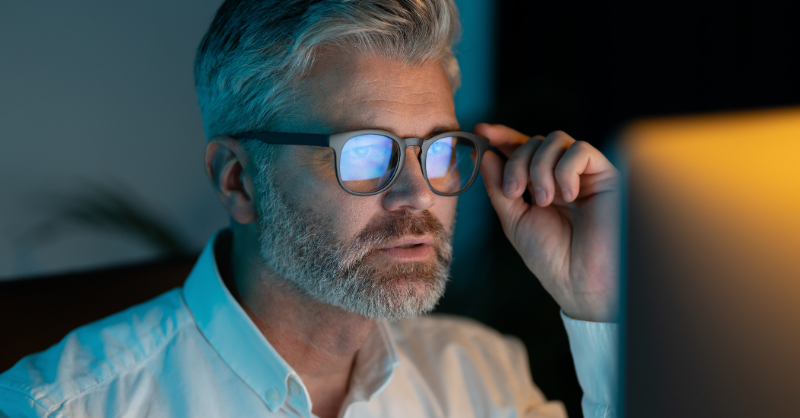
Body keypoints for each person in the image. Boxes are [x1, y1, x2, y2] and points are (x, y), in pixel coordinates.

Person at [0, 1, 619, 417]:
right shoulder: (61, 406)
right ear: (239, 180)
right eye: (364, 154)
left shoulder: (481, 377)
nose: (418, 194)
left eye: (436, 149)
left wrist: (601, 301)